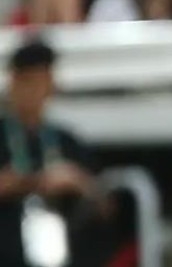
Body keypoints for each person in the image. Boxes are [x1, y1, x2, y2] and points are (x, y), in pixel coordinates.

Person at [0, 39, 101, 267]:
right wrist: (29, 182)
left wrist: (79, 183)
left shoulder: (68, 142)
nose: (36, 92)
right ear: (13, 83)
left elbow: (104, 206)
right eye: (29, 82)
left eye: (43, 83)